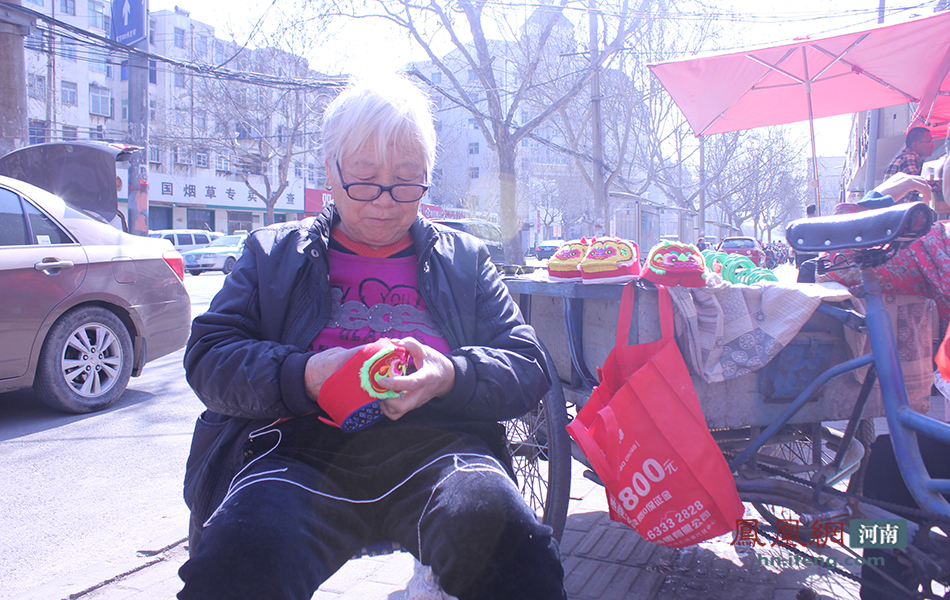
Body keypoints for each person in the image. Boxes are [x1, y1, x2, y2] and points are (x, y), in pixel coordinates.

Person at [177, 74, 566, 600]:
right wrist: (305, 374)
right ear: (331, 175)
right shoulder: (273, 254)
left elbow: (526, 361)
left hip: (441, 449)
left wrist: (449, 375)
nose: (385, 200)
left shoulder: (465, 261)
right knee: (238, 566)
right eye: (365, 179)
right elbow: (209, 356)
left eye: (407, 180)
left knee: (513, 551)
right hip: (296, 451)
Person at [883, 126, 936, 202]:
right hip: (902, 211)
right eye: (930, 141)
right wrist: (939, 184)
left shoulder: (907, 157)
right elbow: (917, 185)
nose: (933, 145)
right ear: (915, 145)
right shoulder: (909, 157)